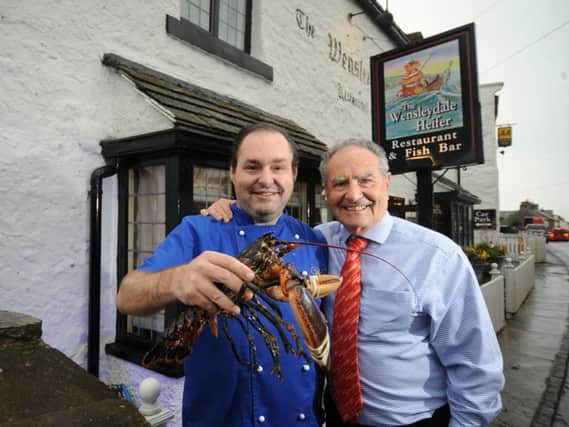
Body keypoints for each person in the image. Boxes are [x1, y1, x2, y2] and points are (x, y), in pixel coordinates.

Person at [204, 139, 505, 426]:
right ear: (326, 191)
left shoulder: (439, 257)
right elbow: (265, 239)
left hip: (415, 420)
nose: (353, 194)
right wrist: (234, 209)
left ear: (387, 183)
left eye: (365, 180)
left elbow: (475, 362)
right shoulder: (317, 240)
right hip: (336, 416)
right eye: (340, 183)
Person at [116, 122, 329, 427]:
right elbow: (127, 296)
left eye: (278, 167)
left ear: (293, 174)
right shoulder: (198, 230)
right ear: (233, 172)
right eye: (252, 167)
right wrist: (176, 279)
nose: (266, 179)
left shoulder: (312, 239)